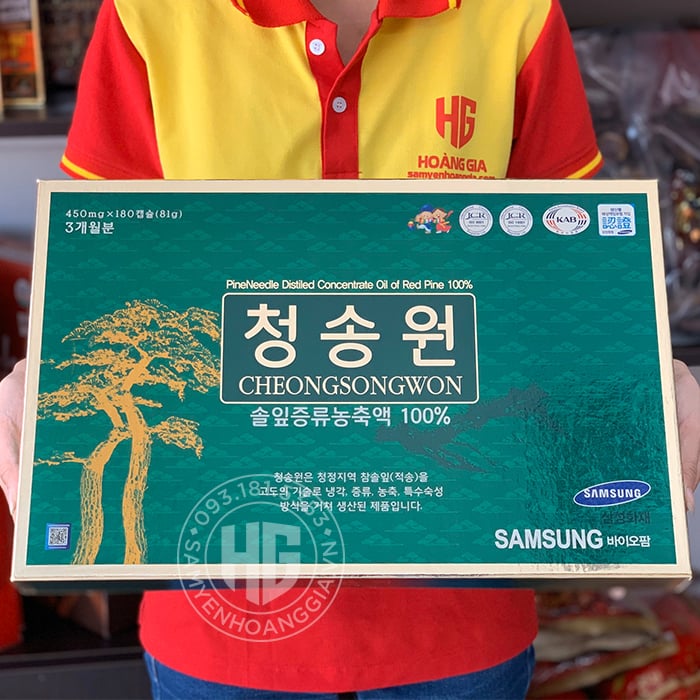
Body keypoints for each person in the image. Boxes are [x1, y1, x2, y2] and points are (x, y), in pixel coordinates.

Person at [2, 0, 700, 698]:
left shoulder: (515, 15)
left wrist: (640, 375)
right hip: (220, 615)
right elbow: (107, 271)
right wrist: (47, 377)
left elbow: (561, 279)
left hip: (458, 616)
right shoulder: (147, 16)